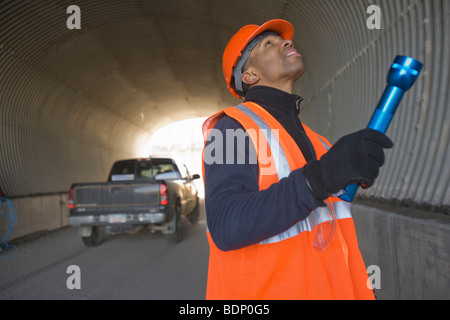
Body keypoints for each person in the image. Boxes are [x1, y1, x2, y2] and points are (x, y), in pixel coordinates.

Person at [202, 19, 393, 300]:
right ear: (250, 75)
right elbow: (225, 224)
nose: (287, 42)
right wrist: (320, 178)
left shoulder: (316, 140)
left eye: (285, 40)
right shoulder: (230, 129)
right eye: (269, 43)